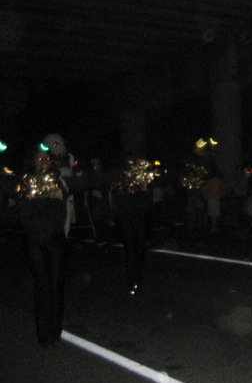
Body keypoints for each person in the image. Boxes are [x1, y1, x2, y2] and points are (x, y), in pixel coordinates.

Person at [16, 147, 105, 347]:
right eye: (39, 158)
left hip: (55, 238)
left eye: (46, 158)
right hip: (34, 240)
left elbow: (87, 182)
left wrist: (115, 175)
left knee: (56, 283)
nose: (43, 161)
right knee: (42, 285)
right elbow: (16, 201)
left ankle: (55, 328)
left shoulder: (60, 182)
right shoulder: (24, 182)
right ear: (33, 161)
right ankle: (43, 334)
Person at [113, 155, 154, 296]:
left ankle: (137, 281)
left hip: (139, 224)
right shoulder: (121, 187)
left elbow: (147, 209)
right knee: (131, 254)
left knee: (139, 254)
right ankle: (132, 282)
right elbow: (119, 209)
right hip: (129, 225)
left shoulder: (140, 188)